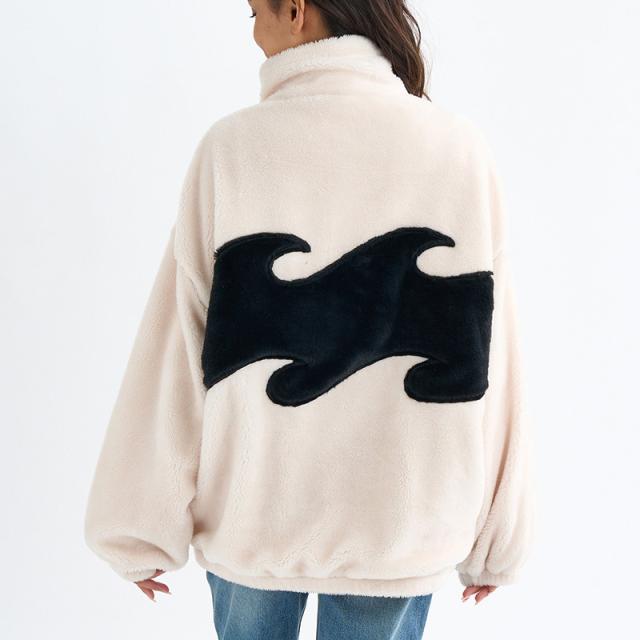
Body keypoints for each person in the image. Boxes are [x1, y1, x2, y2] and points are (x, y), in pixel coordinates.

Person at [83, 1, 536, 638]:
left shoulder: (233, 149)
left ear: (295, 9)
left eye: (253, 12)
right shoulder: (457, 147)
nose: (252, 32)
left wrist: (136, 527)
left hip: (255, 518)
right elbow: (492, 353)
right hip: (401, 529)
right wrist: (498, 538)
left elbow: (178, 348)